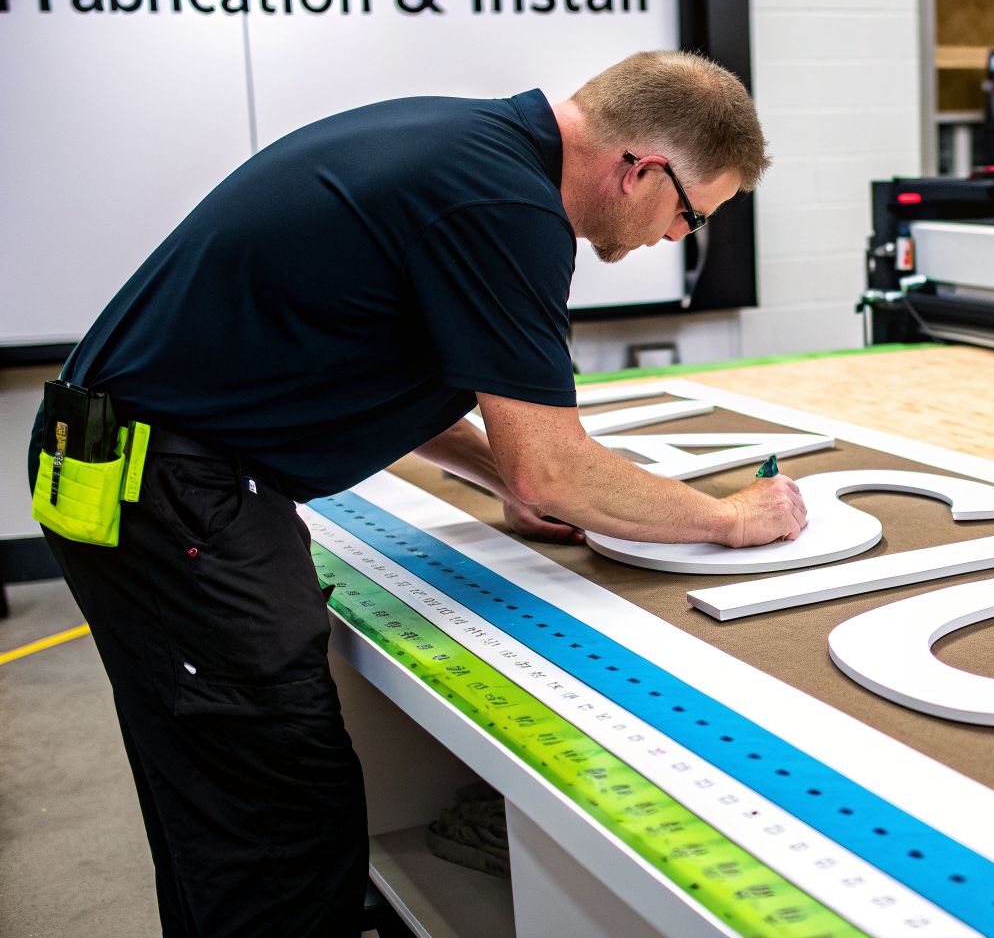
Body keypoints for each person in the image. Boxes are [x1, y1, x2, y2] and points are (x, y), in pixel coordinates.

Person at [28, 50, 807, 937]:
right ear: (639, 167)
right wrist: (730, 519)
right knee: (277, 825)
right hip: (174, 496)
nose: (677, 238)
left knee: (210, 793)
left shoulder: (466, 148)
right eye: (689, 214)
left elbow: (378, 362)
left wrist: (495, 476)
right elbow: (552, 465)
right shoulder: (507, 208)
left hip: (119, 465)